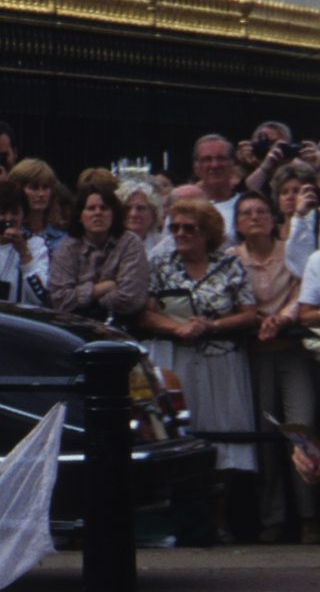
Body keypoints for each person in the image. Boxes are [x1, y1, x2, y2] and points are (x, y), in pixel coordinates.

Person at [137, 194, 259, 539]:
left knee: (225, 438)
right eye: (174, 227)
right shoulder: (160, 264)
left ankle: (219, 521)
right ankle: (184, 522)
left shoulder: (230, 265)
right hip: (178, 358)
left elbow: (248, 313)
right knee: (182, 434)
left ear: (207, 232)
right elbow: (145, 313)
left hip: (222, 359)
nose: (180, 233)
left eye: (188, 228)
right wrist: (176, 328)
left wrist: (213, 326)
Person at [228, 188, 314, 541]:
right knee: (264, 437)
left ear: (273, 217)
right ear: (236, 222)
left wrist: (280, 318)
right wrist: (257, 320)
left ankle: (310, 518)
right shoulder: (232, 258)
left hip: (292, 351)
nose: (254, 217)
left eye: (261, 211)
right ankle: (272, 519)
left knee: (301, 428)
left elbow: (303, 289)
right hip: (254, 355)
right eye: (246, 212)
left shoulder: (290, 252)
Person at [49, 183, 150, 324]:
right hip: (76, 327)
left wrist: (85, 301)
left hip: (122, 327)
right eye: (91, 208)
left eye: (104, 208)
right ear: (80, 215)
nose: (98, 213)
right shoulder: (67, 247)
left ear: (113, 214)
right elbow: (60, 300)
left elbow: (131, 299)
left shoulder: (130, 243)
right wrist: (103, 287)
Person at [5, 157, 73, 261]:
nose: (41, 194)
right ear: (18, 190)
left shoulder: (62, 238)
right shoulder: (9, 235)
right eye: (34, 187)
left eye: (45, 187)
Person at [188, 134, 242, 239]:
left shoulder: (246, 206)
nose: (215, 165)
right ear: (196, 167)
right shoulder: (184, 206)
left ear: (232, 164)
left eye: (221, 158)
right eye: (207, 159)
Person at [122, 176, 172, 265]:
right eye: (127, 208)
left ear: (153, 213)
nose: (133, 214)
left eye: (140, 208)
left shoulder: (164, 245)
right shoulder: (111, 245)